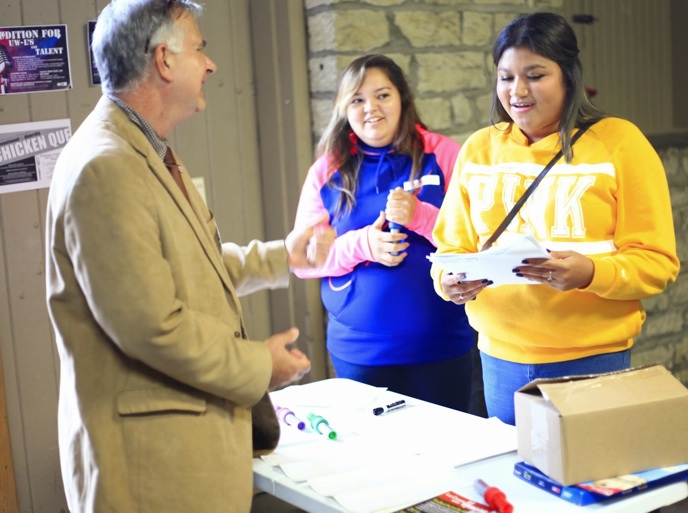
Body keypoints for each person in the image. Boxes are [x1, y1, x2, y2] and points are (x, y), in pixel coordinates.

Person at [44, 2, 334, 512]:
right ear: (164, 60)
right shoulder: (107, 167)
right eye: (200, 49)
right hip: (147, 471)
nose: (210, 64)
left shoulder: (144, 149)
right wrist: (256, 366)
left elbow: (190, 265)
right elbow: (151, 325)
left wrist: (282, 256)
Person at [431, 12, 680, 425]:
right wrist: (450, 283)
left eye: (535, 74)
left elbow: (658, 264)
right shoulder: (478, 149)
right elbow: (451, 249)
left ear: (568, 76)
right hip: (499, 358)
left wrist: (590, 274)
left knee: (590, 481)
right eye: (506, 77)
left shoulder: (620, 143)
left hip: (591, 360)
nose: (518, 91)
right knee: (515, 484)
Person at [292, 54, 476, 412]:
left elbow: (478, 240)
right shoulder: (326, 170)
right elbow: (302, 259)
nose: (370, 108)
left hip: (440, 347)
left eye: (382, 95)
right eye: (357, 99)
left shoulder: (445, 154)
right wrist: (363, 245)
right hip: (359, 354)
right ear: (344, 108)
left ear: (402, 98)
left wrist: (419, 215)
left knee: (443, 460)